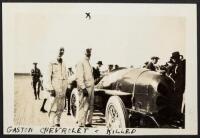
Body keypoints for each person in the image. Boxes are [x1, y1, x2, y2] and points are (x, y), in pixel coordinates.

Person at [46, 47, 68, 127]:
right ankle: (51, 122)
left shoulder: (64, 63)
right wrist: (50, 88)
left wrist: (66, 87)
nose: (61, 52)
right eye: (60, 50)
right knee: (53, 104)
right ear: (56, 51)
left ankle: (57, 121)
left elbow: (66, 76)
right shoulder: (51, 62)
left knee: (61, 105)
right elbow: (48, 76)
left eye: (63, 50)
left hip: (63, 87)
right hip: (55, 87)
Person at [76, 48, 95, 127]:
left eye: (90, 52)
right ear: (84, 52)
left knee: (90, 106)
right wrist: (83, 88)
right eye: (87, 52)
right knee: (83, 105)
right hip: (85, 87)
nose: (89, 53)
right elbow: (79, 77)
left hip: (91, 87)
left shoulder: (88, 62)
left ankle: (88, 122)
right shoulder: (81, 62)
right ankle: (80, 123)